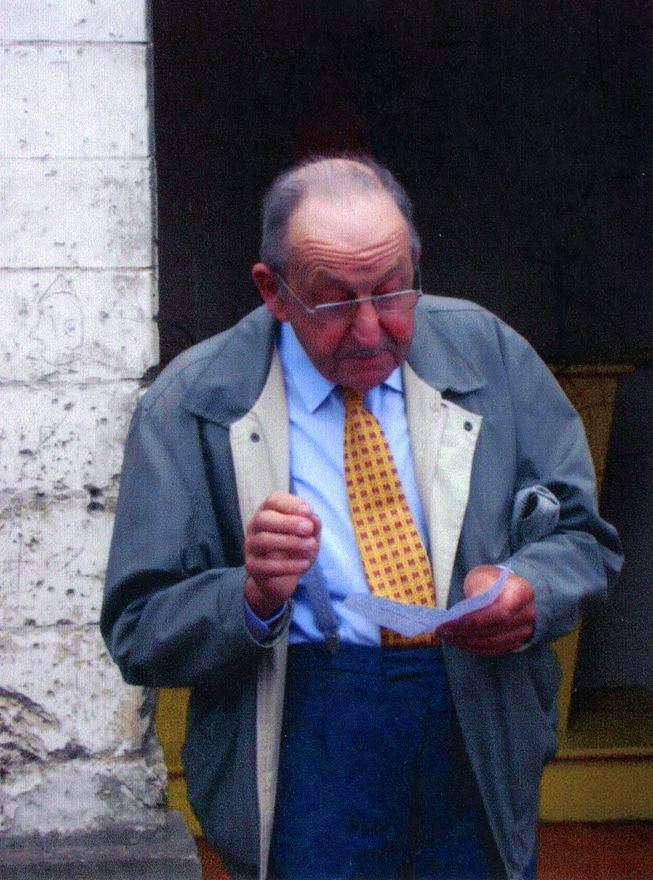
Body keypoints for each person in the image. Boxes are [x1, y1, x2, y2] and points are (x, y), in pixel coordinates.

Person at [101, 156, 622, 880]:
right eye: (335, 301)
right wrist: (248, 596)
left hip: (474, 709)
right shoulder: (192, 403)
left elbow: (583, 540)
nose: (371, 328)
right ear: (272, 291)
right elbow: (138, 629)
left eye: (392, 290)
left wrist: (525, 587)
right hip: (305, 726)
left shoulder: (490, 354)